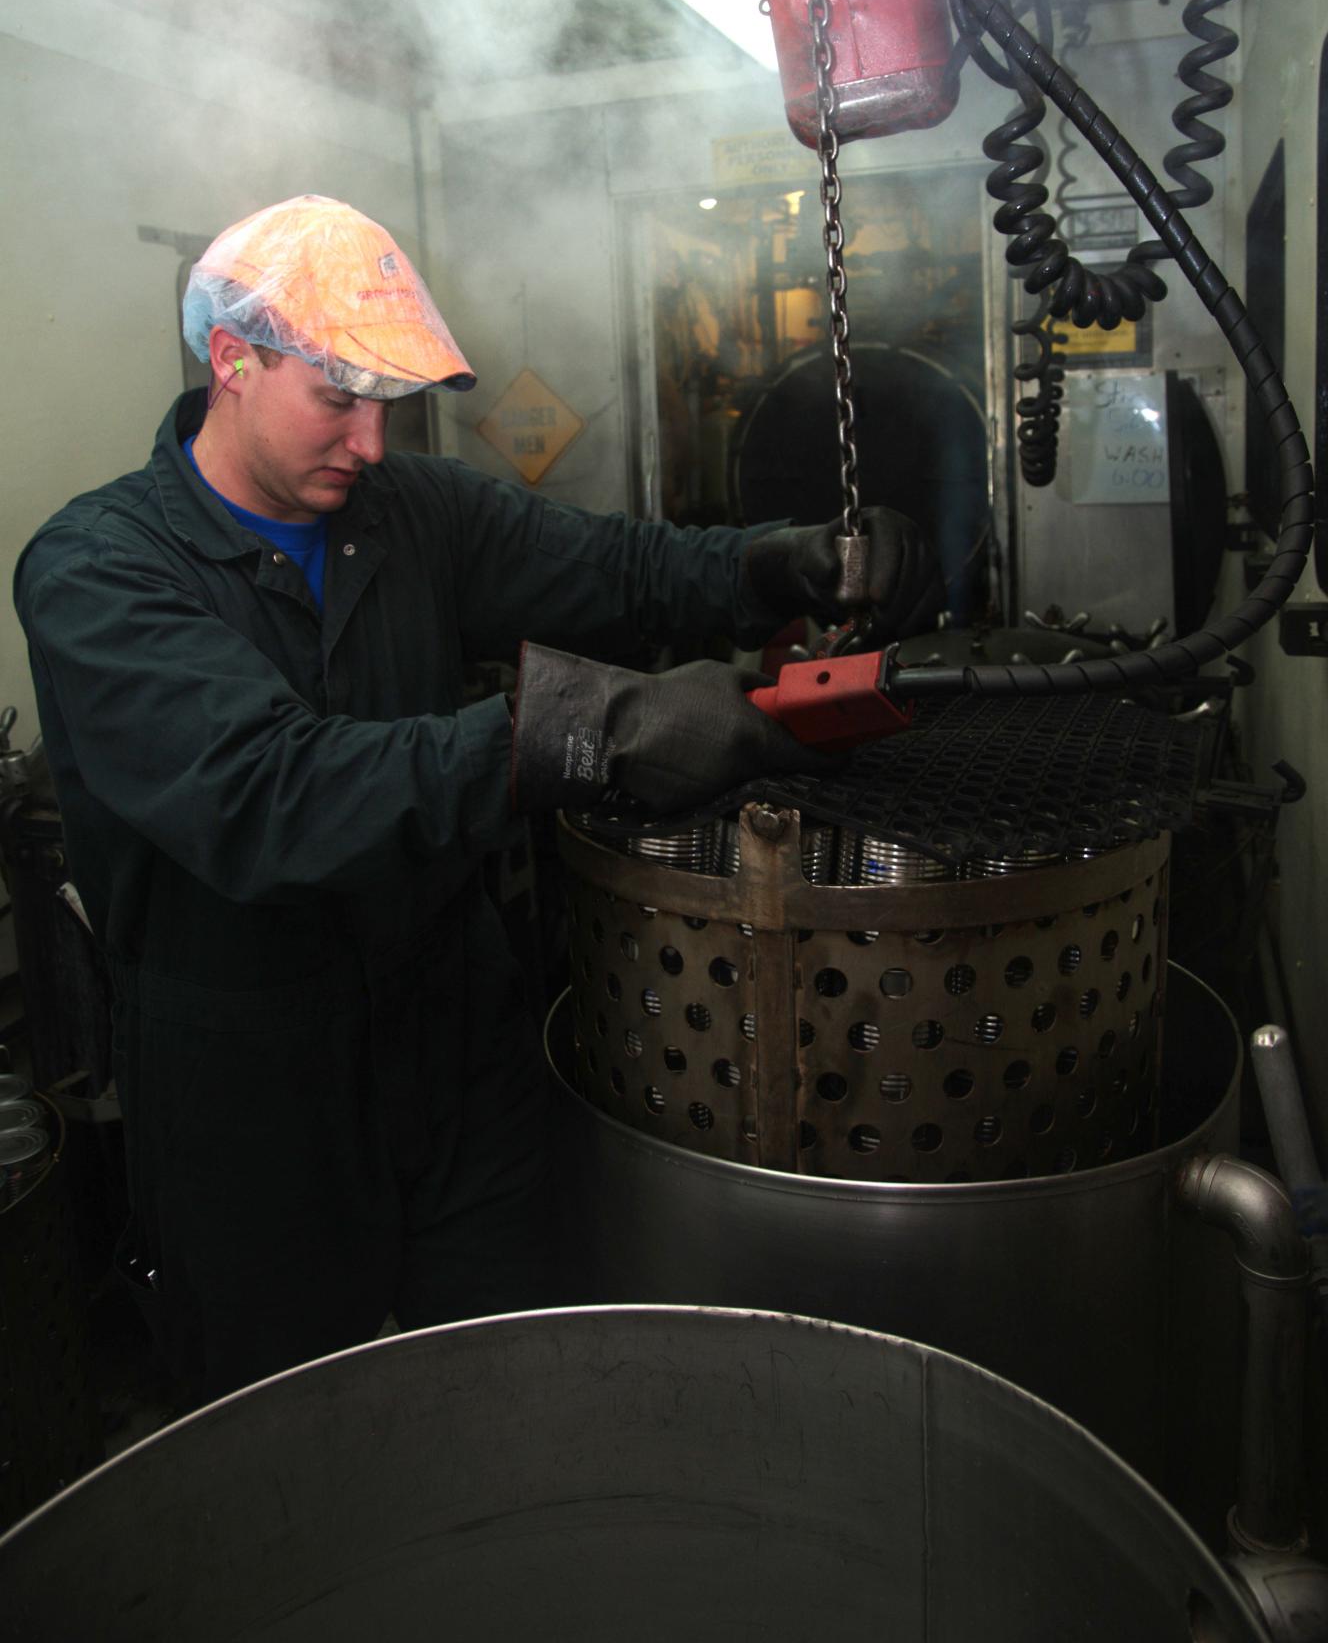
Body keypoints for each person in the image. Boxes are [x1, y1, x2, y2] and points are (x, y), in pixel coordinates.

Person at [14, 194, 941, 1403]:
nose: (372, 442)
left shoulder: (409, 515)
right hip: (253, 1095)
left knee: (506, 1388)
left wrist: (779, 556)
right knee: (295, 1433)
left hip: (454, 1047)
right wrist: (594, 730)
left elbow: (615, 567)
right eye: (337, 399)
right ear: (229, 363)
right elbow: (270, 792)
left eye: (387, 404)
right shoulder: (99, 568)